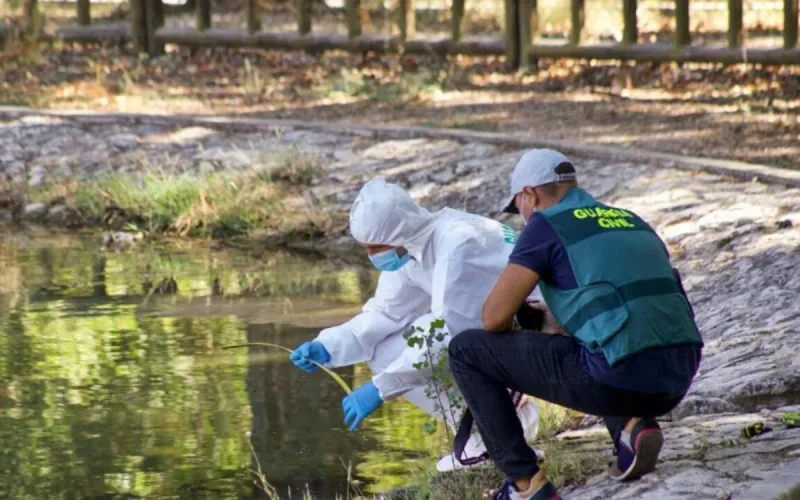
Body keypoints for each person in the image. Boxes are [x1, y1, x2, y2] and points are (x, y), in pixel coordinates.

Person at [447, 149, 704, 500]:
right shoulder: (629, 219)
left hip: (622, 379)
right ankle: (632, 427)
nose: (521, 217)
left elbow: (493, 318)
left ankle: (526, 485)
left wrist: (520, 323)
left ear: (530, 195)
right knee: (602, 346)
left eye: (518, 206)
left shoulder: (545, 224)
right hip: (679, 375)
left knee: (467, 350)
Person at [289, 178, 542, 472]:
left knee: (427, 332)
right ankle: (483, 429)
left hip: (536, 335)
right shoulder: (411, 248)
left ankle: (507, 422)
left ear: (395, 234)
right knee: (384, 351)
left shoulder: (459, 242)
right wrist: (327, 346)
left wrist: (379, 388)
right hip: (496, 338)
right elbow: (384, 314)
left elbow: (448, 330)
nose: (370, 256)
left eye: (373, 247)